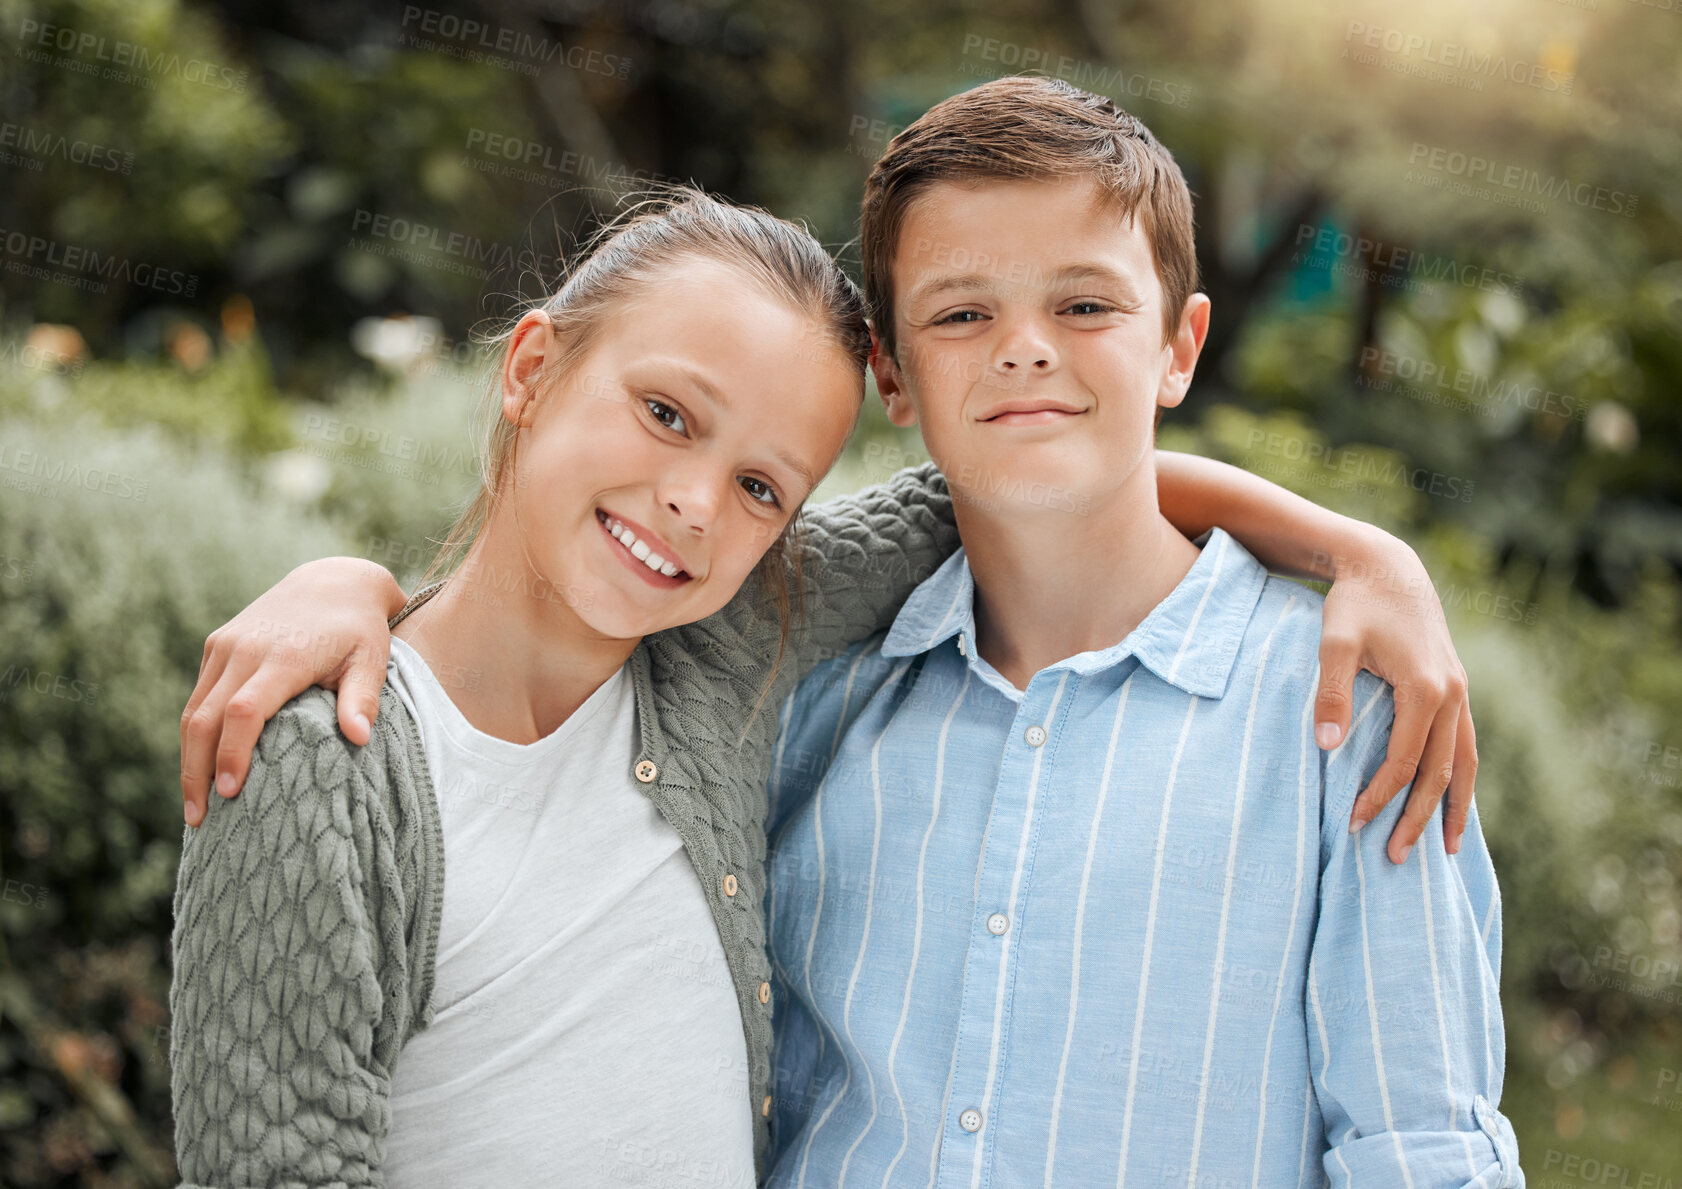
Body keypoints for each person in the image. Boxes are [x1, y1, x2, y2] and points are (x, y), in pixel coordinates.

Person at [173, 188, 1478, 1187]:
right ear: (528, 370)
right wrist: (348, 581)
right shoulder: (322, 768)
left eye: (761, 490)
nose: (691, 504)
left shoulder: (723, 651)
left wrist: (1361, 551)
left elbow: (1026, 485)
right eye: (667, 414)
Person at [761, 77, 1521, 1186]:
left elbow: (1422, 1153)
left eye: (1083, 306)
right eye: (962, 313)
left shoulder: (1346, 718)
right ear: (891, 373)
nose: (1023, 349)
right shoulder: (811, 704)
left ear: (1177, 345)